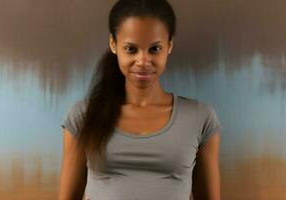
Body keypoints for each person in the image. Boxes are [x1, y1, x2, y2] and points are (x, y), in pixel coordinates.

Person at [58, 0, 221, 199]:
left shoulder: (200, 117)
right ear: (113, 44)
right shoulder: (83, 116)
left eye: (154, 49)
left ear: (169, 45)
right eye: (131, 49)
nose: (143, 61)